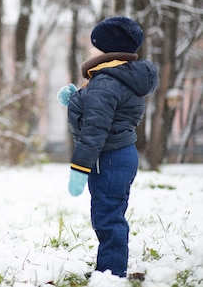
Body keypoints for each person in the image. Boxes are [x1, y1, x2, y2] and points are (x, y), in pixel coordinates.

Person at [57, 16, 158, 278]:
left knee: (108, 217)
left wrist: (79, 167)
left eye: (94, 45)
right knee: (109, 213)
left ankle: (112, 274)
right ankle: (109, 269)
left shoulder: (106, 81)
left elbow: (95, 129)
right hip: (117, 155)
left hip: (109, 157)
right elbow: (105, 112)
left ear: (108, 49)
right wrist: (75, 100)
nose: (90, 50)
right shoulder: (115, 78)